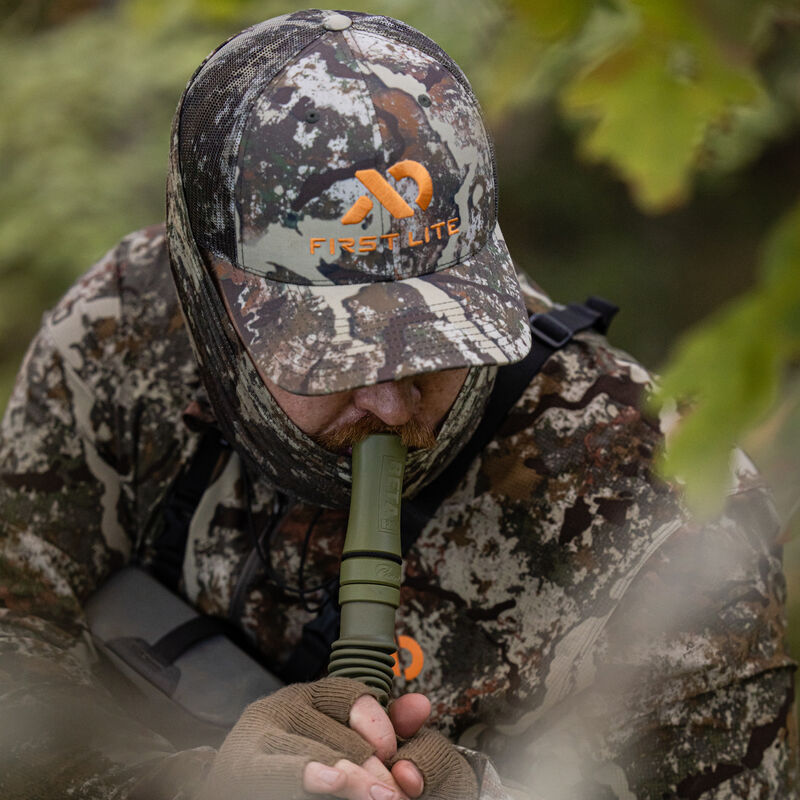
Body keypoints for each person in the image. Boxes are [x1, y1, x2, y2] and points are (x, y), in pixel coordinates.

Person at [0, 9, 796, 800]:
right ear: (213, 305)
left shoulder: (672, 508)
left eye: (431, 338)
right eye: (330, 351)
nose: (389, 402)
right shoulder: (125, 334)